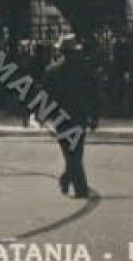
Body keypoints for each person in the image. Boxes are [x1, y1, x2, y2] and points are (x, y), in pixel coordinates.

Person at [41, 34, 98, 199]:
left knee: (69, 152)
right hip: (80, 116)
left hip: (60, 118)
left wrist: (43, 116)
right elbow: (94, 95)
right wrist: (94, 116)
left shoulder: (52, 71)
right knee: (76, 152)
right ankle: (80, 188)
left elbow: (45, 96)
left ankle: (67, 179)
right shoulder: (86, 70)